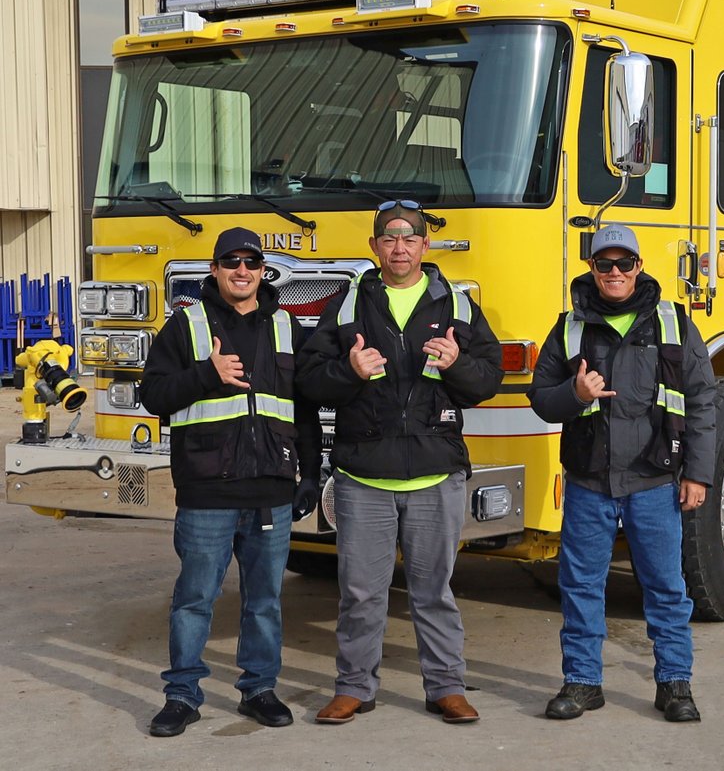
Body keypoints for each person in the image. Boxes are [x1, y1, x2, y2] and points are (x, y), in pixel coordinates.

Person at [297, 200, 502, 725]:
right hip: (364, 475)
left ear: (425, 245)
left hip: (436, 473)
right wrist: (348, 370)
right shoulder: (346, 305)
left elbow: (488, 381)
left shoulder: (457, 305)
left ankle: (447, 688)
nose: (400, 248)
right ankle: (353, 688)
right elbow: (309, 381)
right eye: (389, 238)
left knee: (434, 593)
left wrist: (457, 364)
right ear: (374, 247)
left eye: (410, 238)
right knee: (361, 593)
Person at [528, 223, 716, 723]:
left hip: (653, 480)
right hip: (590, 481)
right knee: (580, 586)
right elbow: (541, 400)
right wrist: (575, 394)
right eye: (604, 264)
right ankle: (583, 683)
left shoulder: (673, 323)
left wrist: (697, 473)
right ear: (591, 268)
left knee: (666, 588)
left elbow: (702, 401)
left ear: (639, 266)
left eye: (624, 263)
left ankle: (674, 684)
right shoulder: (569, 328)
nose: (615, 272)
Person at [140, 226, 322, 737]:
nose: (242, 270)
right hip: (207, 492)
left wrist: (311, 473)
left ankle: (259, 689)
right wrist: (207, 372)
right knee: (195, 599)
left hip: (270, 491)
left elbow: (304, 408)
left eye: (251, 262)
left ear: (263, 271)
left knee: (264, 601)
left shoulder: (287, 326)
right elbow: (153, 396)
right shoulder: (186, 325)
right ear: (215, 270)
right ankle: (182, 696)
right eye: (231, 262)